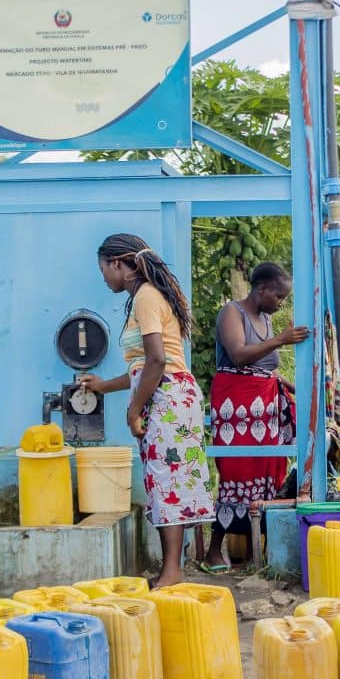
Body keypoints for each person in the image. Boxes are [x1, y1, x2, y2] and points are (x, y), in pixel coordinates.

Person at [79, 234, 215, 588]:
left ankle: (172, 572)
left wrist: (134, 410)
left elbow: (157, 360)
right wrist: (103, 387)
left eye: (104, 270)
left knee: (168, 483)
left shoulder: (145, 297)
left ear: (118, 264)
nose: (104, 278)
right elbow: (141, 368)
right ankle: (173, 568)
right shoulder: (147, 297)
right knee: (165, 482)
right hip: (168, 395)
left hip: (167, 399)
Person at [205, 262, 308, 568]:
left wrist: (296, 389)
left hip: (265, 409)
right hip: (236, 407)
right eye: (278, 296)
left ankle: (253, 551)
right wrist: (281, 340)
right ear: (261, 288)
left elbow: (268, 367)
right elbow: (238, 354)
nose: (281, 303)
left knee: (264, 476)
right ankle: (214, 548)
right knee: (236, 474)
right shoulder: (231, 313)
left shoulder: (265, 318)